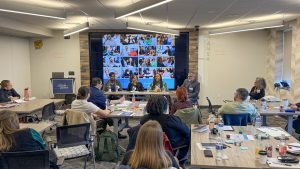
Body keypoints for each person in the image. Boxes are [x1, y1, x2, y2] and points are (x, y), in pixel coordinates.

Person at [140, 95, 190, 168]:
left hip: (148, 148)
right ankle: (181, 161)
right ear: (165, 106)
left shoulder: (143, 119)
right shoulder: (171, 119)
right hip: (170, 148)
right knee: (188, 135)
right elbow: (186, 131)